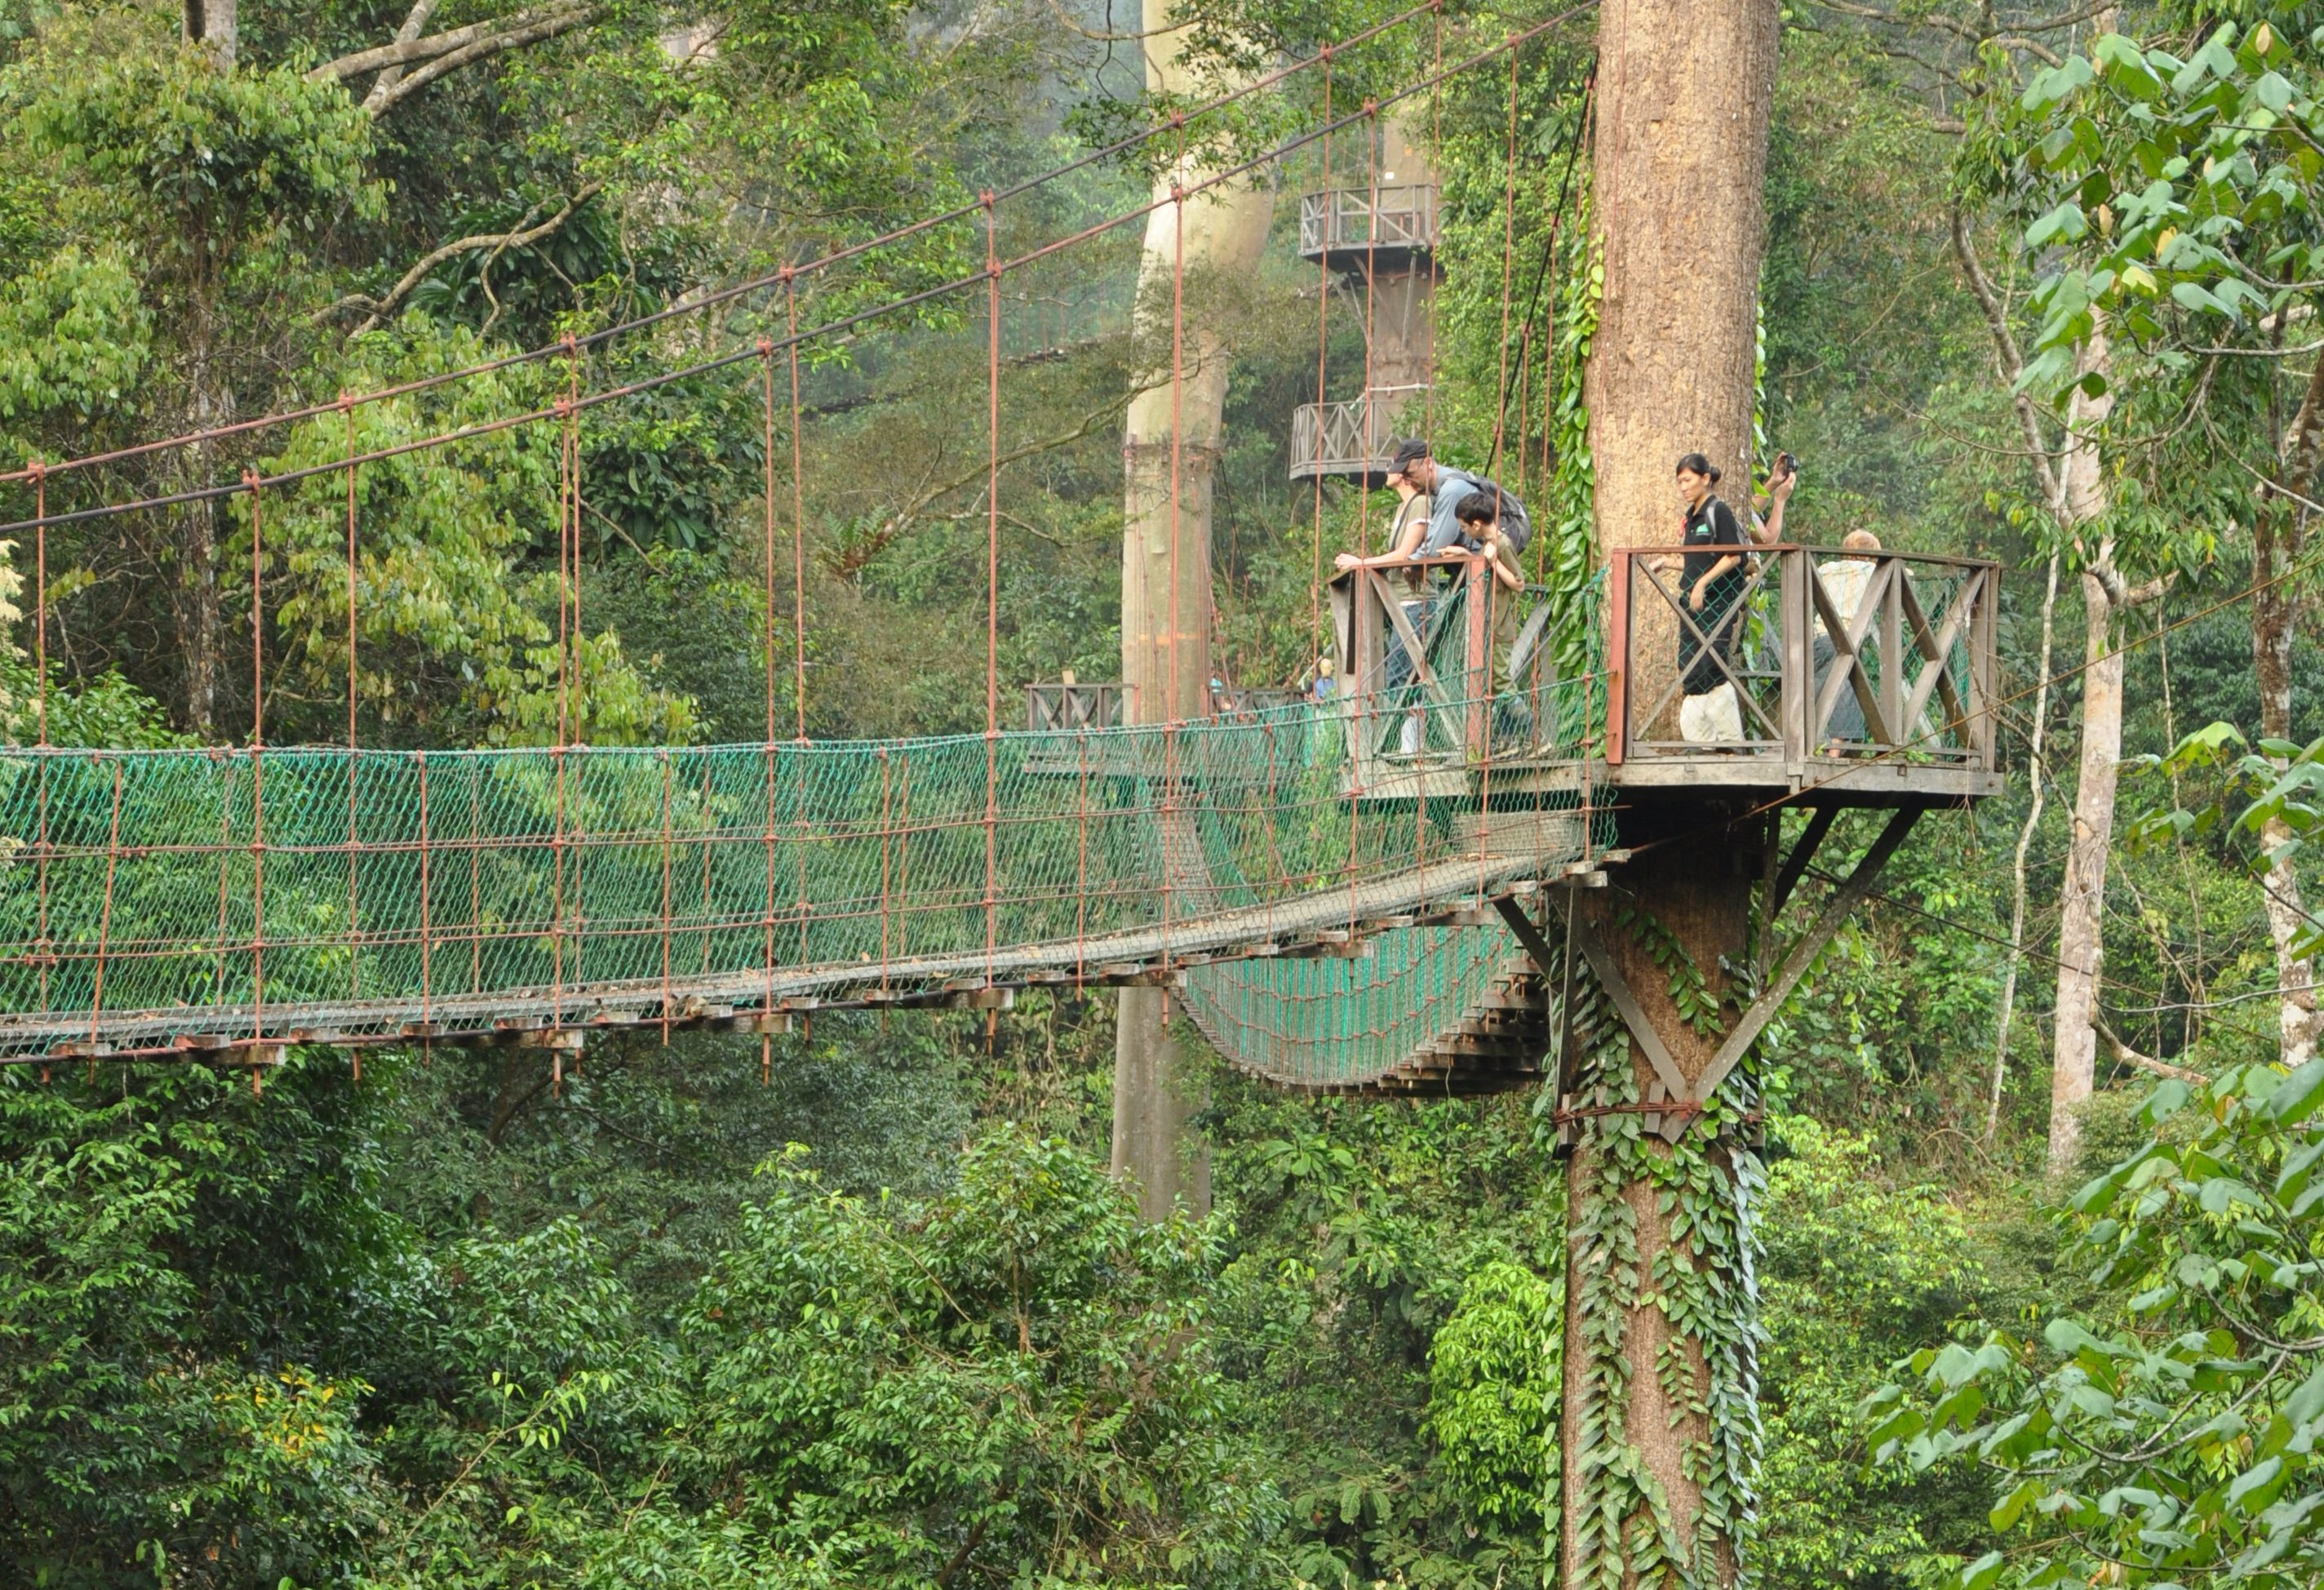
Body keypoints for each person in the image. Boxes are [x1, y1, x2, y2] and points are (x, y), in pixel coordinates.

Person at [1665, 451, 1749, 744]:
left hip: (1718, 601)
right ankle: (1700, 744)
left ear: (1705, 478)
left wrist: (1702, 584)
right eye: (1679, 482)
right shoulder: (1691, 517)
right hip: (1693, 604)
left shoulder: (1718, 511)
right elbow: (1698, 560)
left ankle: (1730, 741)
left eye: (1688, 480)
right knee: (1690, 667)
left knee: (1712, 665)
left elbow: (1734, 556)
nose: (1683, 487)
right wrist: (1666, 564)